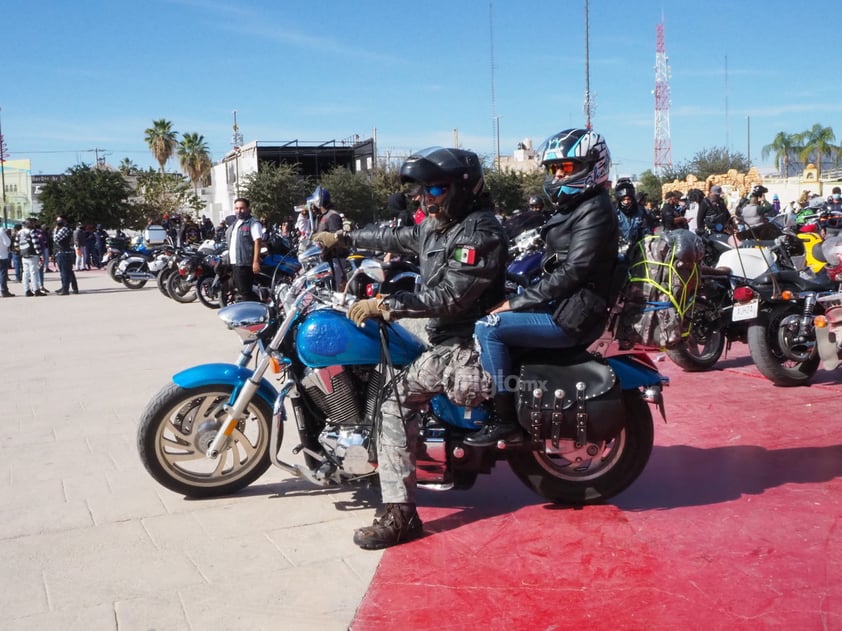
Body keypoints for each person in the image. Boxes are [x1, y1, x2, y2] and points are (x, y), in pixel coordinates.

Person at [312, 147, 508, 550]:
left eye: (435, 188)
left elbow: (453, 295)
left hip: (464, 341)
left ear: (463, 188)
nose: (426, 197)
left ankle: (401, 515)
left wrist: (388, 304)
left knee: (393, 402)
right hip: (445, 333)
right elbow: (394, 236)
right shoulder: (438, 226)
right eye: (422, 190)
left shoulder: (479, 231)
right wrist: (343, 238)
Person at [468, 128, 618, 447]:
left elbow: (575, 269)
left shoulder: (595, 210)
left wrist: (519, 302)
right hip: (565, 306)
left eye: (565, 167)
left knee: (489, 327)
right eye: (553, 169)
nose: (557, 176)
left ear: (594, 164)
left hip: (573, 316)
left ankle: (503, 420)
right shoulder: (579, 206)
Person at [225, 198, 264, 302]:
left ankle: (257, 313)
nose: (239, 211)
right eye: (237, 208)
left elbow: (258, 242)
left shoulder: (253, 223)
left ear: (248, 209)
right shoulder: (235, 224)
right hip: (234, 262)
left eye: (242, 208)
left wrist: (255, 262)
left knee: (245, 292)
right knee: (242, 290)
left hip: (245, 263)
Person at [614, 178, 651, 245]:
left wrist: (648, 236)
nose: (626, 202)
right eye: (623, 199)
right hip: (619, 248)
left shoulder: (640, 211)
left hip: (637, 247)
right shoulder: (614, 212)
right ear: (619, 200)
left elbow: (646, 228)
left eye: (628, 199)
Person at [18, 218, 47, 297]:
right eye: (33, 223)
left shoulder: (20, 232)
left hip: (24, 254)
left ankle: (27, 290)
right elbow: (35, 243)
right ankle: (36, 290)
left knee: (25, 273)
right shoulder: (32, 232)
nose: (34, 225)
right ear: (30, 224)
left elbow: (16, 244)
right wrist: (40, 254)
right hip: (32, 254)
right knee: (34, 272)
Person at [53, 216, 79, 295]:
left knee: (65, 272)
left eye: (60, 220)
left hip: (64, 252)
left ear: (64, 220)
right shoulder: (66, 228)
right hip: (63, 252)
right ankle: (73, 288)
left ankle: (65, 289)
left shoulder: (64, 229)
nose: (58, 222)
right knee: (68, 271)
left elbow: (56, 239)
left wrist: (55, 230)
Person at [0, 227, 14, 297]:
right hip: (2, 255)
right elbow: (7, 243)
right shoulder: (1, 230)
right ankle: (4, 290)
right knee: (2, 273)